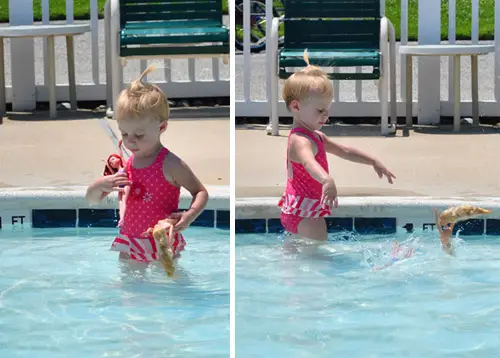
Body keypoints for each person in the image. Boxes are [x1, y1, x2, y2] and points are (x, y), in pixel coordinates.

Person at [86, 65, 208, 266]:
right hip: (130, 241)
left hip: (162, 242)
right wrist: (99, 185)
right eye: (124, 134)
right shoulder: (131, 163)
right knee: (129, 293)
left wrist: (189, 216)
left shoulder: (171, 164)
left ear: (161, 127)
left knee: (167, 289)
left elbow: (200, 192)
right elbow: (92, 200)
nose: (130, 141)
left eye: (139, 135)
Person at [278, 50, 396, 241]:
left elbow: (344, 151)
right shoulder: (300, 141)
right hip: (306, 214)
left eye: (327, 109)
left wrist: (372, 160)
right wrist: (326, 179)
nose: (326, 115)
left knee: (298, 259)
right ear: (296, 107)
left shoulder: (316, 136)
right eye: (320, 110)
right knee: (319, 259)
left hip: (299, 210)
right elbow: (309, 163)